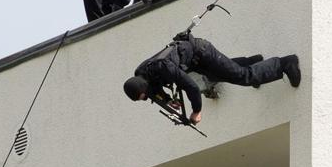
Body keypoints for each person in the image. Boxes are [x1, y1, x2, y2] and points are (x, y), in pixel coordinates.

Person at [123, 35, 301, 125]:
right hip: (194, 61)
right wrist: (169, 100)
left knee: (243, 76)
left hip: (202, 52)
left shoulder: (163, 67)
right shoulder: (142, 73)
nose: (147, 97)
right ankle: (253, 62)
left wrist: (196, 111)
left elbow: (191, 87)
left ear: (142, 86)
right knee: (219, 75)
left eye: (143, 96)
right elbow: (154, 91)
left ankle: (285, 63)